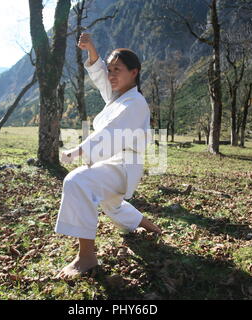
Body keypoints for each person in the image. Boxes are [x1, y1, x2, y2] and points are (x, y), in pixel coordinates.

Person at [54, 33, 162, 279]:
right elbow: (101, 77)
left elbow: (110, 133)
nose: (111, 75)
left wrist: (78, 149)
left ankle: (86, 257)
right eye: (110, 69)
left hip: (124, 165)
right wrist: (92, 51)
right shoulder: (118, 97)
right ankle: (148, 225)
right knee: (112, 203)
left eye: (118, 70)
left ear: (134, 72)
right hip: (113, 162)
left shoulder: (135, 103)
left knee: (77, 181)